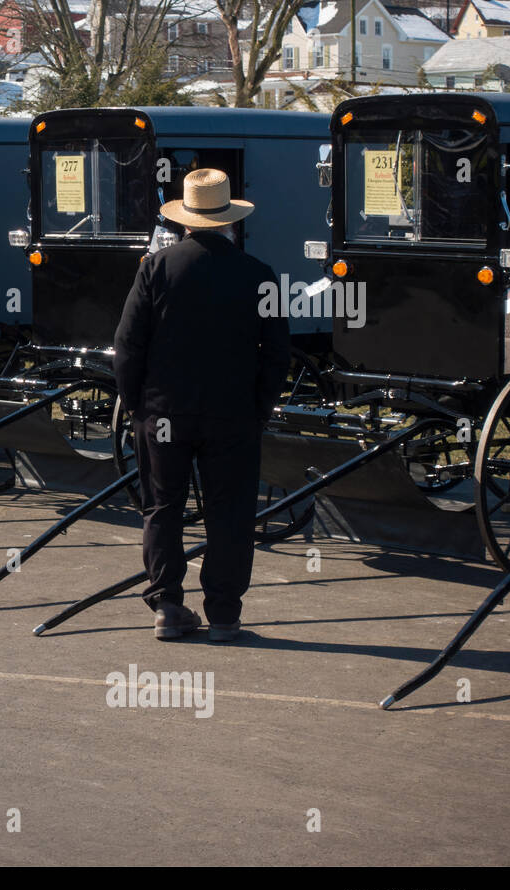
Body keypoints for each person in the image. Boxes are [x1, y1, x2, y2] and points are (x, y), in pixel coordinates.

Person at [113, 168, 290, 642]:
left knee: (163, 508)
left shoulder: (155, 269)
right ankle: (225, 613)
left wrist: (137, 409)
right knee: (229, 512)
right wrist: (259, 408)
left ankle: (168, 606)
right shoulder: (259, 275)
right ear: (229, 221)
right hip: (231, 414)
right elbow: (276, 354)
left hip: (164, 412)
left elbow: (128, 346)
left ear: (184, 221)